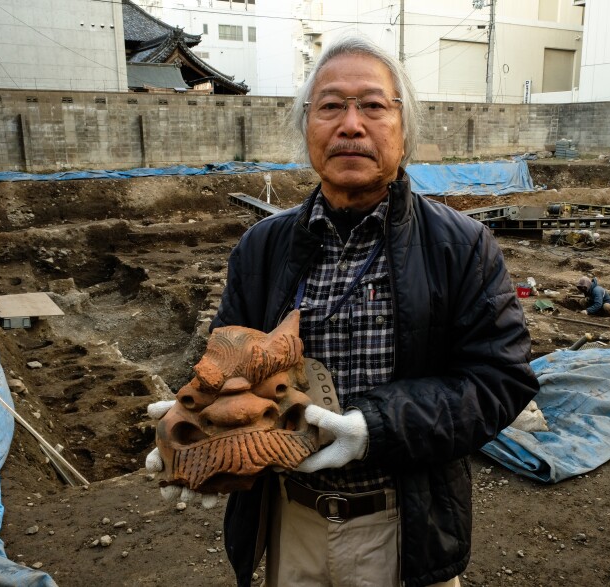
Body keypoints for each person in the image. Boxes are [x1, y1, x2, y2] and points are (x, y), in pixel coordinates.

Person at [147, 35, 539, 587]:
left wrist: (373, 426)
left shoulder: (462, 246)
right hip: (290, 522)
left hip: (405, 528)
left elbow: (499, 380)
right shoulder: (262, 247)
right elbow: (231, 365)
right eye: (330, 106)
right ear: (306, 127)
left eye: (373, 106)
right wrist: (197, 424)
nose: (351, 124)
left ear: (405, 130)